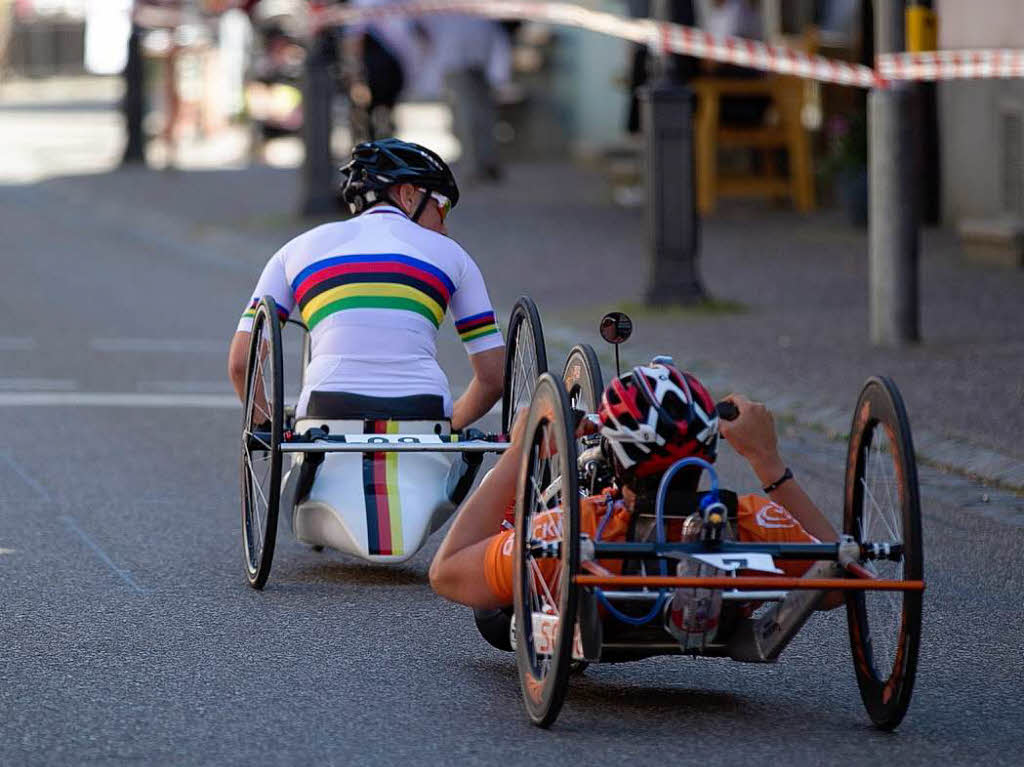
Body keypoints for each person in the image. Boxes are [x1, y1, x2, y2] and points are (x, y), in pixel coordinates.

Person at [429, 362, 839, 614]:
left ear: (614, 455)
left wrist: (520, 451)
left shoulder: (568, 532)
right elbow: (837, 584)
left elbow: (446, 573)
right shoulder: (751, 522)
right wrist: (768, 461)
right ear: (709, 450)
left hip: (580, 575)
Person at [227, 138, 504, 432]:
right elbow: (494, 376)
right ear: (408, 195)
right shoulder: (455, 256)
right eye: (443, 207)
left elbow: (242, 363)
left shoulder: (294, 250)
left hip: (325, 408)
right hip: (424, 408)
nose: (444, 226)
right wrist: (448, 426)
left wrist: (264, 421)